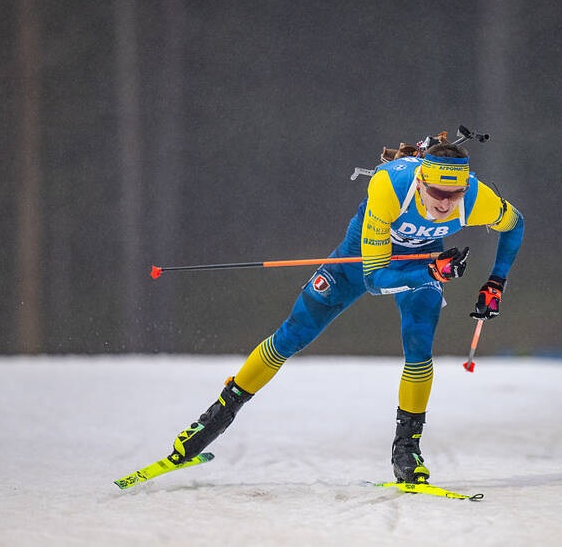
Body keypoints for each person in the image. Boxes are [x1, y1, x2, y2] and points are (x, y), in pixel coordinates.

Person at [169, 132, 525, 484]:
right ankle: (212, 421)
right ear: (420, 182)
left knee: (419, 345)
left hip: (422, 260)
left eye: (454, 194)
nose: (446, 204)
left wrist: (496, 282)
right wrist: (431, 272)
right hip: (361, 261)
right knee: (293, 334)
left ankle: (407, 450)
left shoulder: (477, 198)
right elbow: (374, 280)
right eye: (437, 193)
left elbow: (515, 225)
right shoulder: (390, 186)